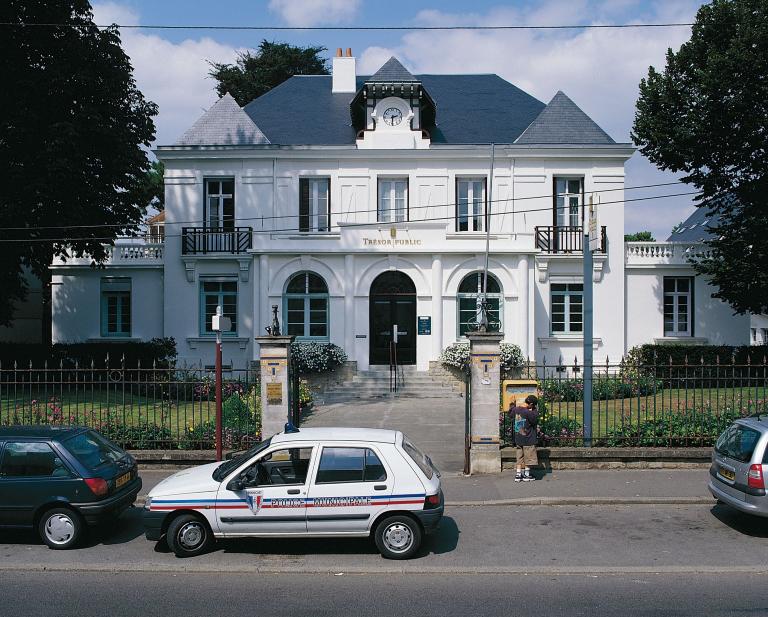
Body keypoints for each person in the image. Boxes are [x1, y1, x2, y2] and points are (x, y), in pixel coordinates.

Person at [510, 394, 539, 482]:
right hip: (528, 438)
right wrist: (533, 410)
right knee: (528, 456)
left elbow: (510, 414)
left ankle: (518, 474)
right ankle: (526, 474)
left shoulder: (516, 409)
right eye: (534, 405)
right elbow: (534, 420)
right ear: (531, 404)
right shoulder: (529, 412)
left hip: (519, 437)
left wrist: (512, 404)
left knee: (519, 456)